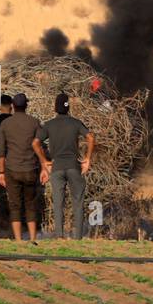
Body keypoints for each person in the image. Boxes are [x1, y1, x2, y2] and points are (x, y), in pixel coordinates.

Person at [38, 92, 95, 239]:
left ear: (55, 108)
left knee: (58, 203)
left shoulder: (49, 125)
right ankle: (77, 238)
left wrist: (44, 161)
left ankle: (59, 236)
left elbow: (34, 143)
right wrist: (87, 159)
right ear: (68, 107)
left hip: (56, 168)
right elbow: (90, 137)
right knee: (78, 202)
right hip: (73, 166)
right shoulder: (75, 123)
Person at [0, 91, 43, 243]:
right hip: (30, 168)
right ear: (26, 105)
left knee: (15, 205)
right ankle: (33, 238)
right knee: (30, 204)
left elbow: (1, 152)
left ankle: (17, 239)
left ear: (13, 106)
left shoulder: (5, 124)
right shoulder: (35, 122)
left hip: (12, 169)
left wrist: (1, 172)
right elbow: (39, 146)